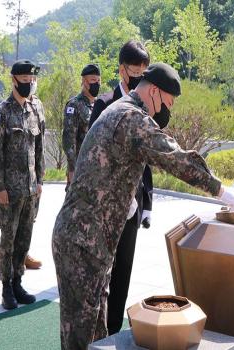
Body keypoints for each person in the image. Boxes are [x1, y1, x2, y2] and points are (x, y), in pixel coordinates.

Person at [52, 62, 234, 350]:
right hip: (83, 242)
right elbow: (173, 156)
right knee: (81, 337)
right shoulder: (131, 117)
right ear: (154, 91)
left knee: (95, 333)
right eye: (166, 103)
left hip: (89, 240)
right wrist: (220, 189)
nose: (165, 111)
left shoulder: (120, 109)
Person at [89, 40, 153, 335]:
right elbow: (90, 155)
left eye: (144, 71)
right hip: (106, 210)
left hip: (132, 206)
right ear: (122, 70)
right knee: (102, 275)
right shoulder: (104, 103)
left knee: (123, 274)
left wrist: (146, 204)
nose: (139, 76)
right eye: (135, 71)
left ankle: (113, 333)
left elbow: (148, 156)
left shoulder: (146, 107)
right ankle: (98, 334)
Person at [0, 59, 45, 310]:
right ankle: (6, 288)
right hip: (9, 191)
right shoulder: (2, 112)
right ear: (13, 80)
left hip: (30, 188)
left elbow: (39, 148)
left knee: (25, 238)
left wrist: (40, 181)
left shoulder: (35, 108)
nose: (28, 85)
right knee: (8, 239)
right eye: (24, 81)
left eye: (31, 81)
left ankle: (18, 281)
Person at [63, 64, 101, 189]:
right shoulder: (74, 105)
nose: (97, 84)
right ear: (84, 81)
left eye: (98, 80)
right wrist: (72, 169)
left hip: (97, 169)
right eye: (93, 80)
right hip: (80, 168)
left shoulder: (99, 105)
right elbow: (69, 140)